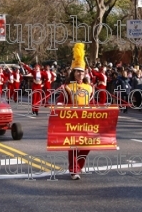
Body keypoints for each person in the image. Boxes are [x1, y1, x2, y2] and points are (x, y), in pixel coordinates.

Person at [57, 43, 93, 180]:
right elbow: (61, 100)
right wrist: (59, 106)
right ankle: (74, 170)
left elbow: (92, 103)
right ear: (73, 72)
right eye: (77, 71)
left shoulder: (89, 87)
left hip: (86, 119)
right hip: (71, 119)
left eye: (82, 71)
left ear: (84, 73)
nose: (80, 73)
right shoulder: (66, 87)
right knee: (73, 145)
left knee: (87, 145)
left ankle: (79, 165)